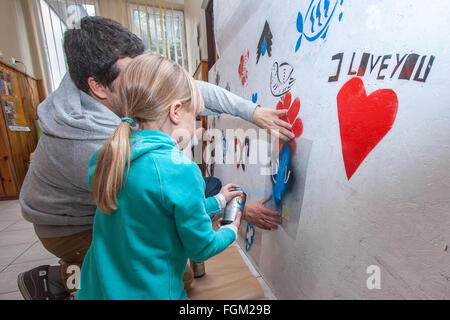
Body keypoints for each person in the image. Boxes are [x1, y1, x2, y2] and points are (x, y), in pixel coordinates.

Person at [17, 16, 284, 300]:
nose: (145, 79)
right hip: (66, 225)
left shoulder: (114, 104)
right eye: (136, 74)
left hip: (113, 209)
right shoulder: (92, 144)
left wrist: (252, 111)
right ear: (97, 86)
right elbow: (186, 234)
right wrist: (233, 222)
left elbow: (182, 90)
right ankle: (59, 280)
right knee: (175, 274)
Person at [76, 54, 241, 300]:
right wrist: (232, 228)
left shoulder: (108, 156)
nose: (194, 123)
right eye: (193, 115)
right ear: (176, 111)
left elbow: (161, 210)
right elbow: (201, 248)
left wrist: (218, 200)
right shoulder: (179, 169)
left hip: (97, 289)